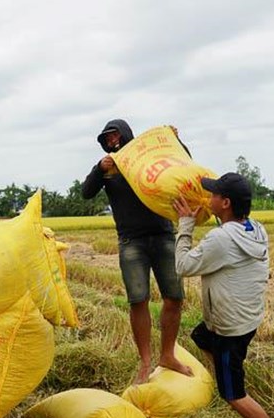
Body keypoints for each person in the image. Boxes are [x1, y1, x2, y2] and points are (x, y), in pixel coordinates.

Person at [172, 172, 274, 418]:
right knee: (200, 335)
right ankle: (221, 379)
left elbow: (183, 266)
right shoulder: (255, 229)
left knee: (234, 394)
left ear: (225, 203)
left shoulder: (221, 240)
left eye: (212, 195)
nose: (208, 198)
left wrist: (186, 225)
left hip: (229, 328)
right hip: (247, 318)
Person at [81, 119, 192, 384]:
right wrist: (99, 169)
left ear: (127, 134)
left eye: (115, 135)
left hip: (164, 235)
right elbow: (86, 192)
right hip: (131, 241)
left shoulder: (149, 158)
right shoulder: (108, 168)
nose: (112, 141)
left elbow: (183, 163)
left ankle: (167, 355)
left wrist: (177, 141)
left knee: (174, 297)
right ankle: (145, 362)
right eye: (107, 138)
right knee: (138, 299)